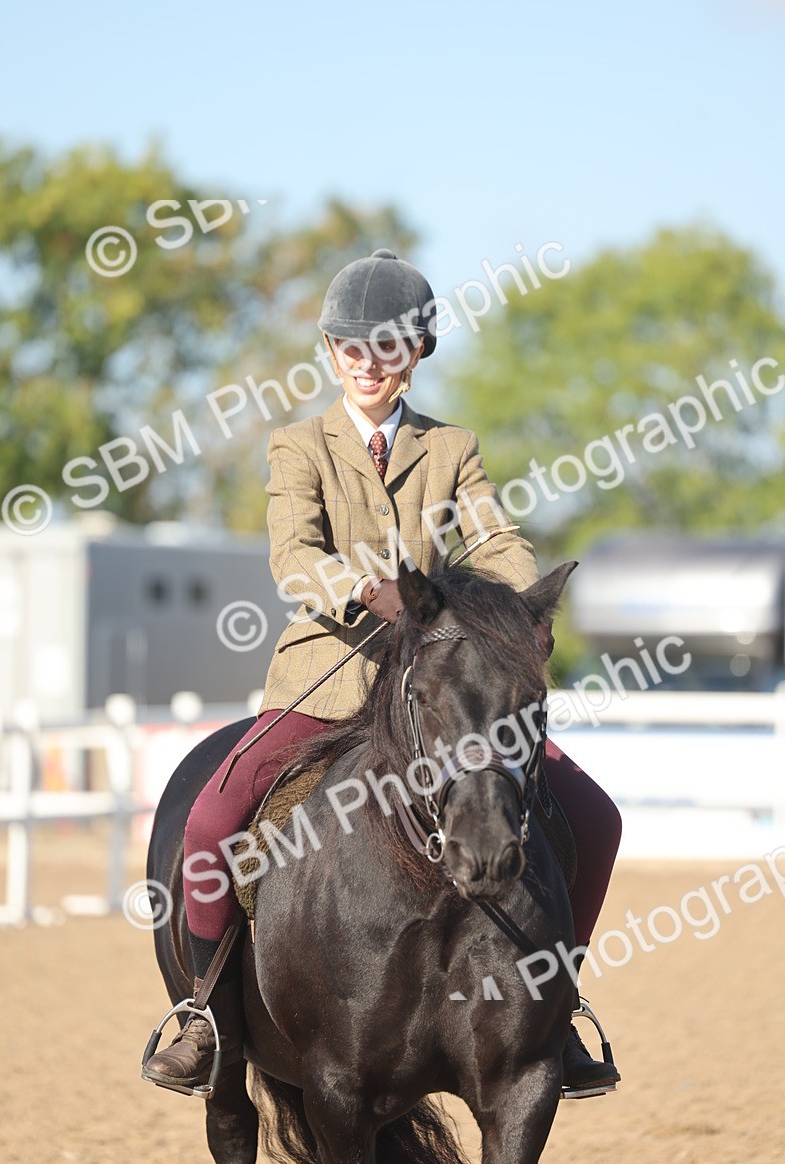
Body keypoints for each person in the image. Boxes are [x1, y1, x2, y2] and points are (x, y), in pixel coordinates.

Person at [143, 248, 622, 1096]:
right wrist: (368, 590)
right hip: (330, 674)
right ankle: (206, 1015)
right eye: (352, 348)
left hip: (440, 686)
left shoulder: (452, 447)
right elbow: (294, 555)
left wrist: (514, 607)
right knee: (212, 818)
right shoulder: (299, 446)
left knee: (596, 815)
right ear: (331, 352)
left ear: (418, 352)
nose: (368, 364)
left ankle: (562, 1003)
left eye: (388, 347)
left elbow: (495, 537)